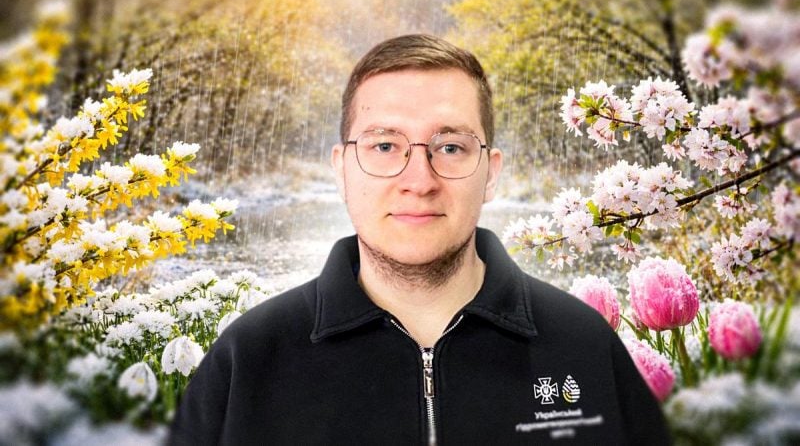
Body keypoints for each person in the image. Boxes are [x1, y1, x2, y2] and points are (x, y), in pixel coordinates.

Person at [169, 34, 671, 445]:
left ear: (491, 172)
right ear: (342, 170)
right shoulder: (247, 361)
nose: (419, 180)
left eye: (449, 147)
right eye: (385, 145)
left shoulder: (583, 345)